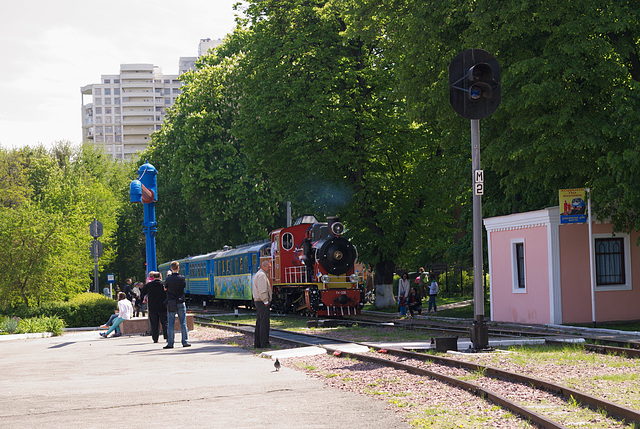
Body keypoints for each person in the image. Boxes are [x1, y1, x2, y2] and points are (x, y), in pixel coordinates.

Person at [164, 261, 190, 348]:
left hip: (171, 302)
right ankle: (185, 341)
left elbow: (165, 288)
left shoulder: (168, 279)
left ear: (171, 268)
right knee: (183, 322)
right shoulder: (182, 278)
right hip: (180, 301)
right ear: (178, 268)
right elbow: (183, 287)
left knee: (170, 323)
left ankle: (170, 343)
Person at [141, 271, 168, 344]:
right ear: (160, 277)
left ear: (153, 277)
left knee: (154, 323)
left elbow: (143, 292)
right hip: (163, 306)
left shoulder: (149, 285)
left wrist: (142, 300)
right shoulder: (164, 285)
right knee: (164, 322)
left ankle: (155, 338)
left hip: (152, 307)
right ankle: (166, 337)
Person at [252, 260, 272, 348]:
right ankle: (264, 343)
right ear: (263, 267)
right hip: (262, 302)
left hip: (259, 301)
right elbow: (262, 289)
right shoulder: (262, 275)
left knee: (260, 323)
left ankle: (258, 344)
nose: (270, 268)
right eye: (268, 267)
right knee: (264, 323)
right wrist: (265, 301)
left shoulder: (260, 274)